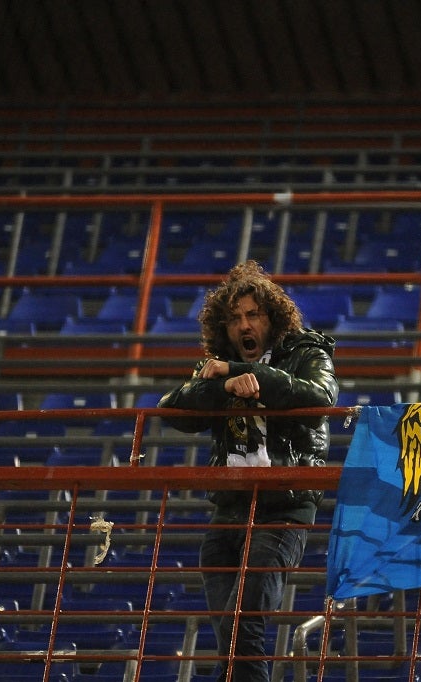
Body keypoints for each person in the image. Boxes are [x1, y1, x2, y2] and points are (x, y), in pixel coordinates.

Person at [157, 260, 338, 682]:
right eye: (235, 318)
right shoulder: (217, 364)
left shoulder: (307, 351)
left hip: (284, 506)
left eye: (253, 314)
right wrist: (223, 383)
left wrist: (244, 372)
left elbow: (320, 398)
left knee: (244, 624)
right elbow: (172, 407)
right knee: (230, 635)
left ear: (272, 318)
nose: (244, 325)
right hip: (230, 508)